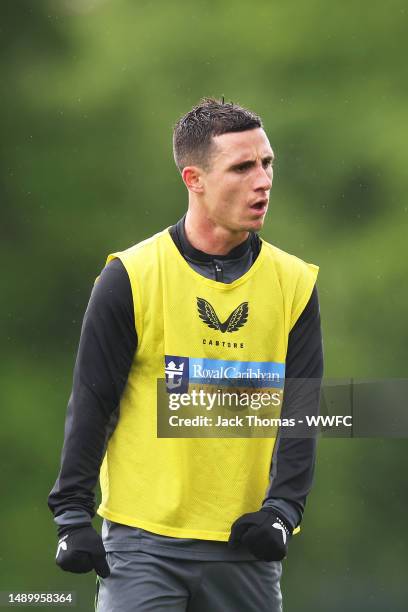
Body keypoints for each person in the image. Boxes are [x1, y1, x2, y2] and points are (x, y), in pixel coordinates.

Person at [48, 97, 323, 611]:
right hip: (142, 548)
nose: (262, 180)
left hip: (248, 551)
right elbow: (91, 403)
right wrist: (71, 516)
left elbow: (301, 410)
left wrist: (283, 510)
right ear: (193, 179)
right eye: (242, 167)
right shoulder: (129, 277)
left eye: (267, 163)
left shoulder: (296, 283)